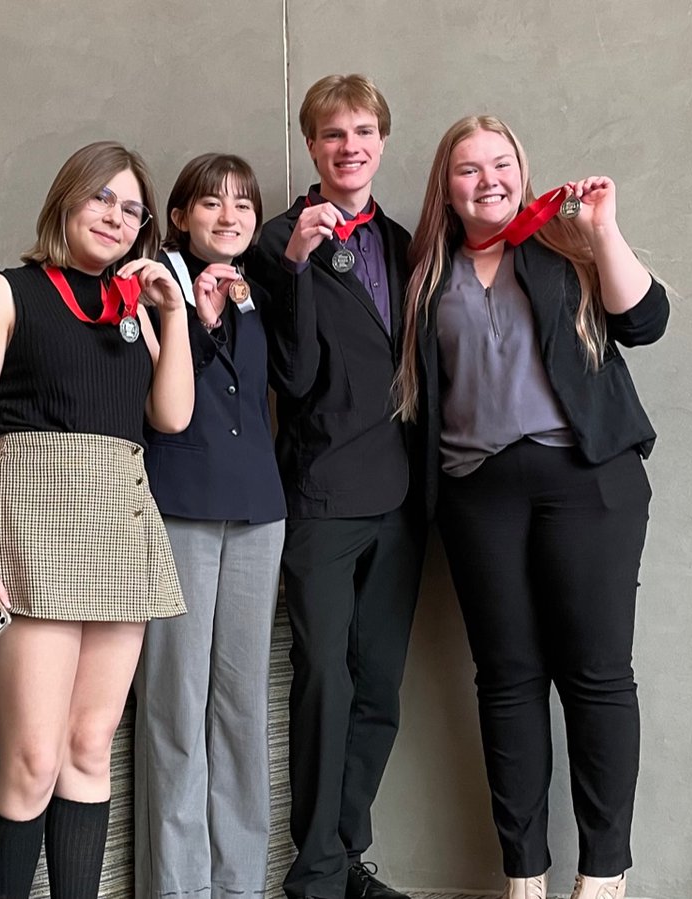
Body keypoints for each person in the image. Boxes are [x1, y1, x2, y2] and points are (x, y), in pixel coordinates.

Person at [393, 115, 669, 899]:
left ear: (521, 171)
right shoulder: (427, 273)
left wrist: (604, 229)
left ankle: (603, 874)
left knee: (596, 674)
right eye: (468, 168)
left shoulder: (564, 244)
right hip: (477, 493)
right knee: (507, 680)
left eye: (501, 163)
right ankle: (525, 876)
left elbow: (644, 322)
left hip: (586, 480)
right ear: (446, 187)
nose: (488, 179)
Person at [0, 140, 194, 899]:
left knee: (90, 748)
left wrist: (173, 312)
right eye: (102, 198)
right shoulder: (4, 291)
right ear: (67, 199)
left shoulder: (133, 309)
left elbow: (172, 416)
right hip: (28, 524)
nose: (116, 217)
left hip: (118, 519)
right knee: (33, 758)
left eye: (132, 209)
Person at [246, 74, 427, 899]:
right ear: (312, 147)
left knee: (379, 684)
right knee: (325, 677)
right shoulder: (276, 242)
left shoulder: (404, 241)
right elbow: (292, 374)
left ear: (381, 142)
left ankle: (347, 856)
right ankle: (314, 871)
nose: (348, 146)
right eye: (331, 134)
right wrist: (294, 267)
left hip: (402, 498)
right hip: (320, 493)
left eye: (361, 132)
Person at [133, 154, 287, 899]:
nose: (230, 216)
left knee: (241, 705)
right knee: (175, 705)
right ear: (181, 215)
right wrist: (197, 318)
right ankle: (177, 888)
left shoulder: (257, 289)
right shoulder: (151, 283)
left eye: (243, 205)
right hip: (179, 504)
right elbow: (162, 397)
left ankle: (240, 886)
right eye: (212, 203)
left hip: (259, 507)